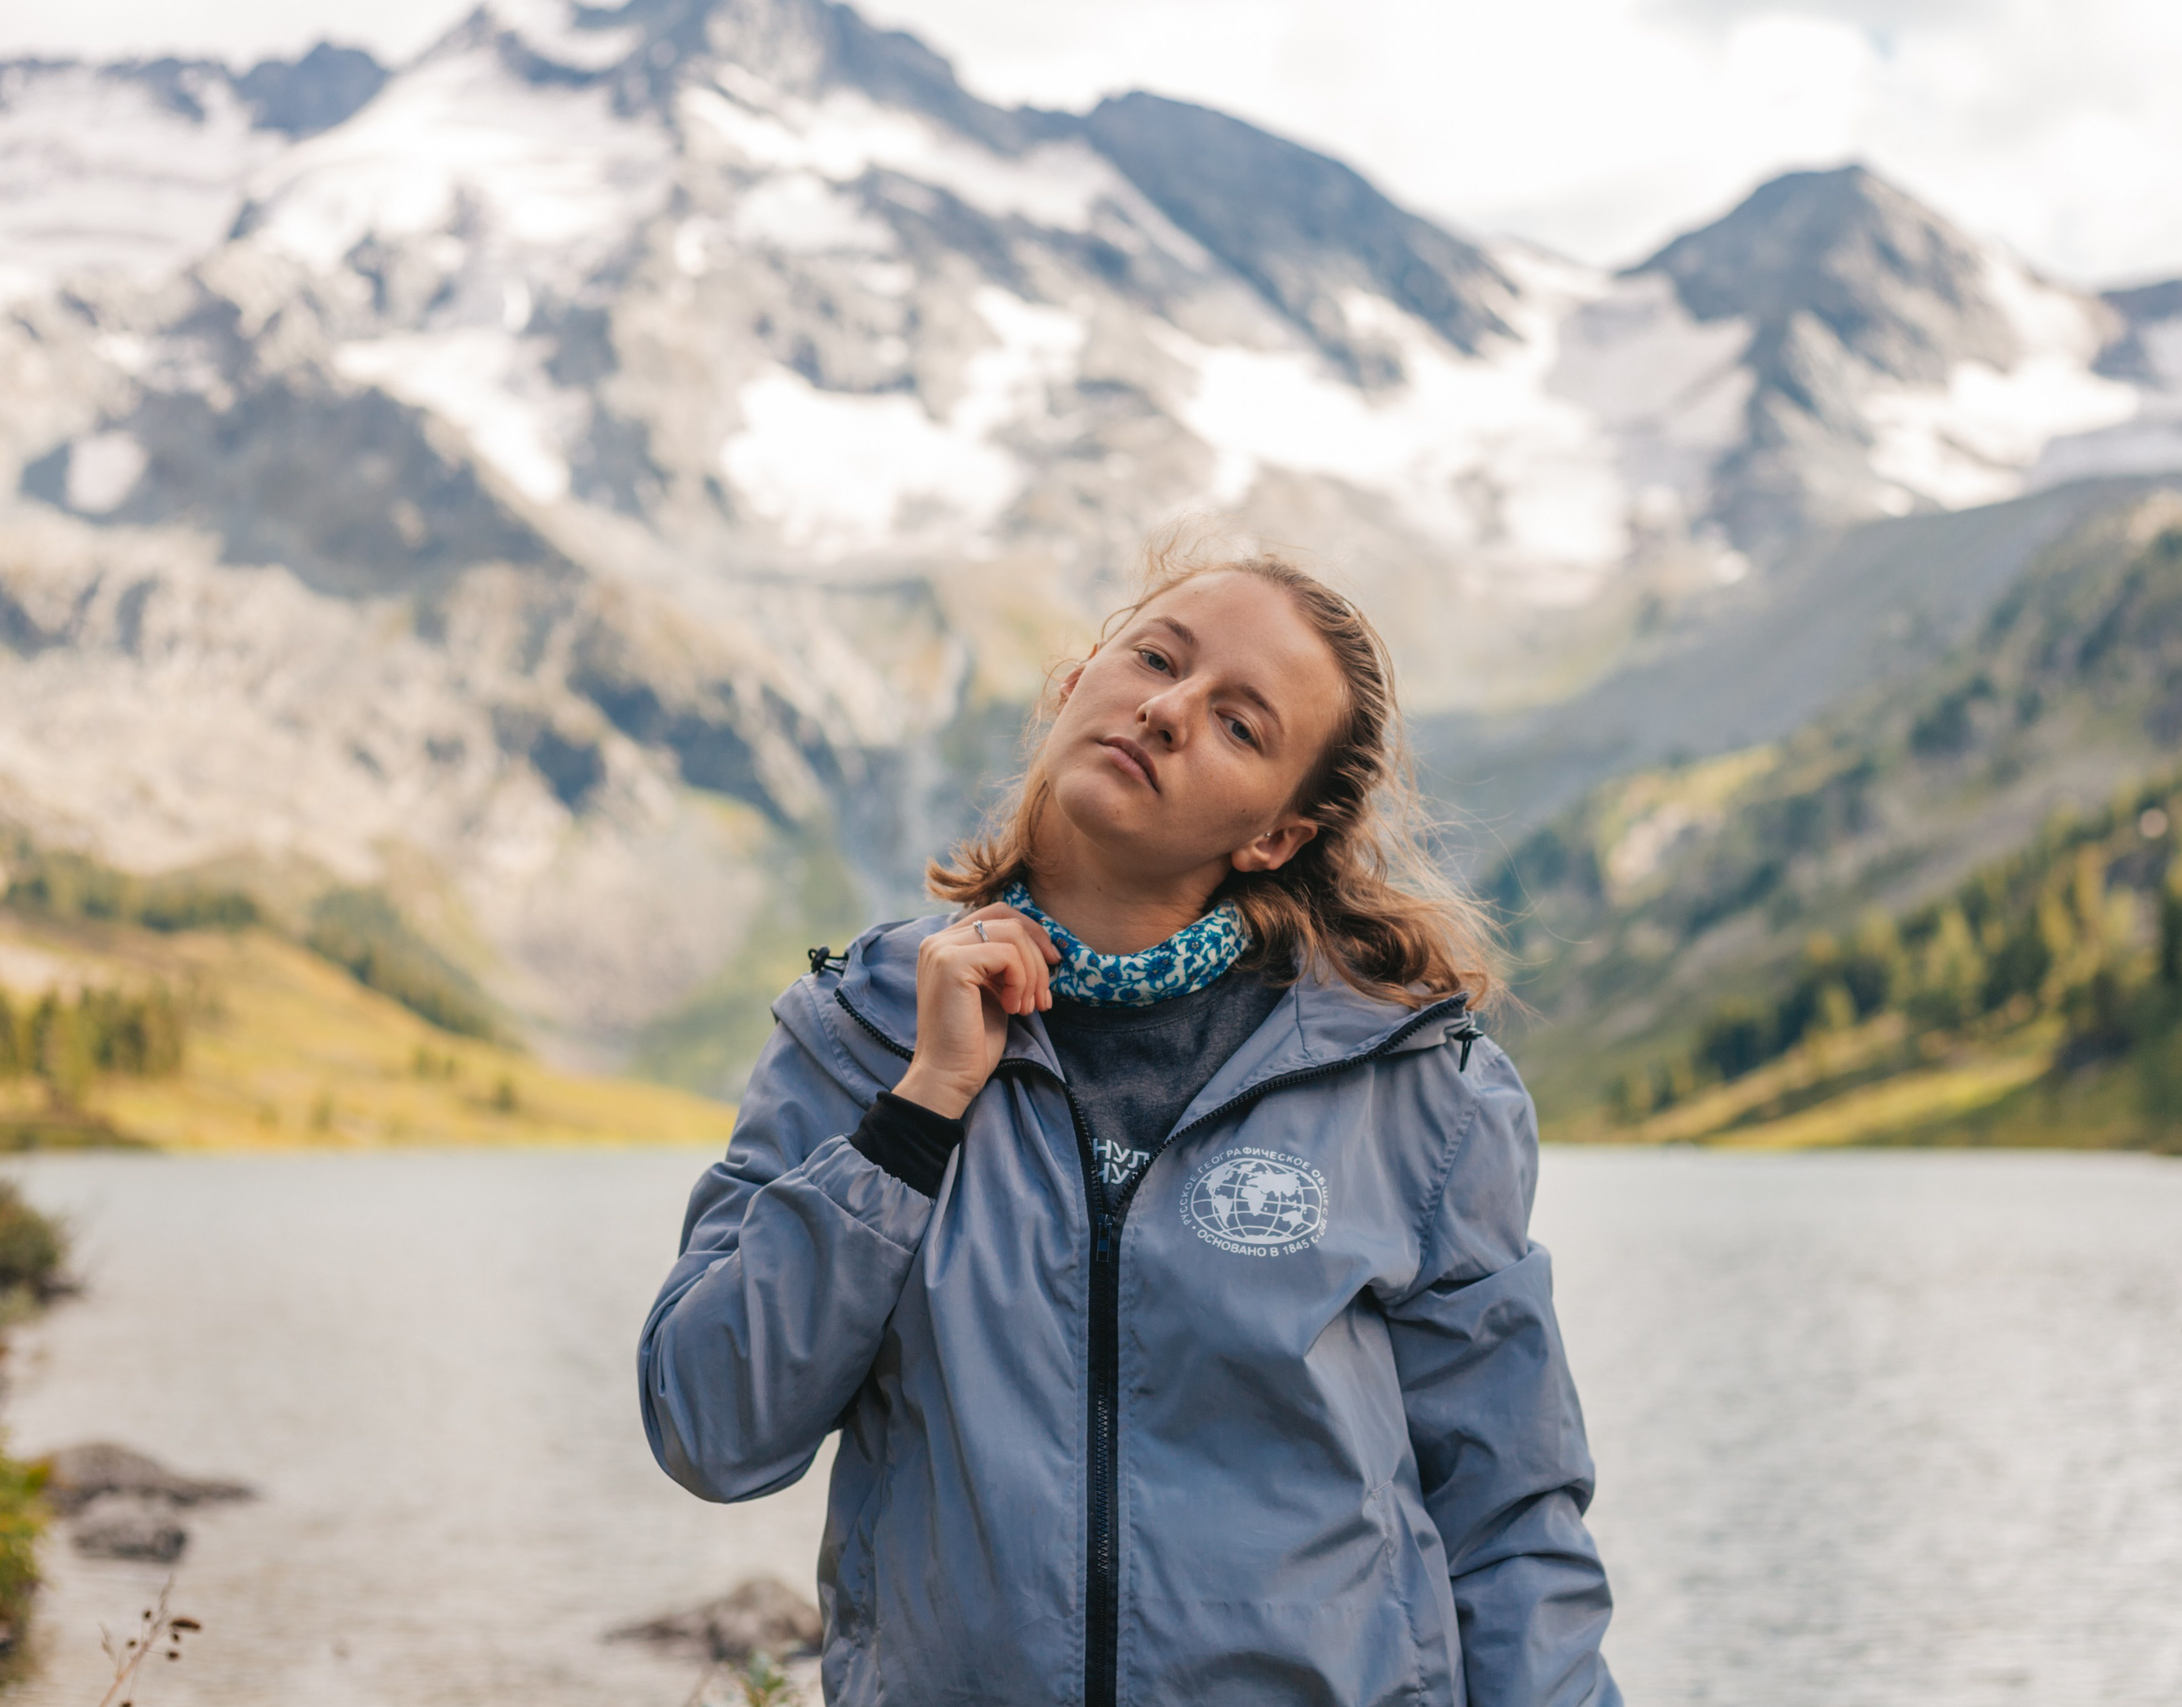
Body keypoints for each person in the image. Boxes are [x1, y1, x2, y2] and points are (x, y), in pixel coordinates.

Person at [638, 543, 1620, 1707]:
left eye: (1240, 726)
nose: (1166, 711)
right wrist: (919, 1112)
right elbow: (710, 1424)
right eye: (1155, 658)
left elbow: (1511, 1517)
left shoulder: (1413, 1089)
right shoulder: (856, 1027)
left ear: (1274, 837)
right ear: (1074, 683)